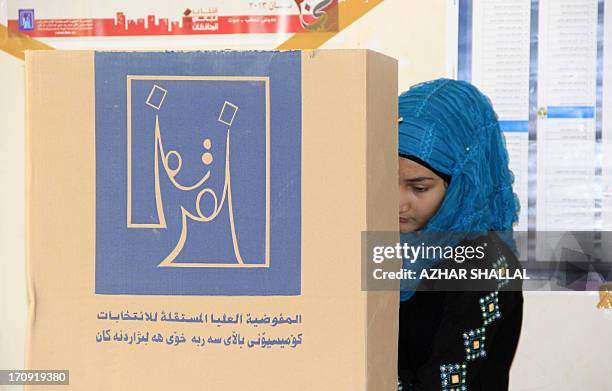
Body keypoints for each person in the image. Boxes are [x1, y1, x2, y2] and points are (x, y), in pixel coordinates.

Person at [396, 78, 524, 390]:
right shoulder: (395, 248)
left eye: (419, 188)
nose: (398, 202)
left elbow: (447, 383)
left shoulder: (487, 265)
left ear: (461, 185)